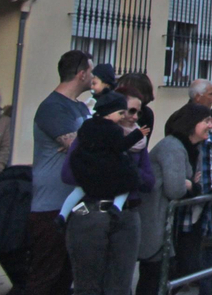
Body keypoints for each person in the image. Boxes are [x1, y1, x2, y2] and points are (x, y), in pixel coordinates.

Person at [63, 93, 149, 295]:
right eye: (128, 111)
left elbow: (149, 180)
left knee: (119, 286)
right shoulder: (90, 134)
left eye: (138, 112)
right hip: (92, 209)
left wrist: (128, 173)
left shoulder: (137, 143)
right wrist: (112, 173)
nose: (133, 117)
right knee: (88, 285)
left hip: (127, 213)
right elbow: (68, 173)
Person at [26, 50, 92, 295]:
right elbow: (78, 146)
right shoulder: (53, 107)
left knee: (67, 275)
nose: (93, 77)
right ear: (81, 74)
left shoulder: (80, 107)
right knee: (45, 276)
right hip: (50, 206)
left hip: (76, 204)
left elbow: (91, 144)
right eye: (91, 71)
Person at [135, 104, 212, 295]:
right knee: (153, 276)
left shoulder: (190, 148)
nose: (211, 125)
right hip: (154, 221)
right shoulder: (173, 147)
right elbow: (176, 189)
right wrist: (191, 186)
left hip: (164, 223)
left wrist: (189, 184)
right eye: (206, 121)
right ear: (192, 123)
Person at [182, 82, 212, 295]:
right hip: (207, 214)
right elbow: (209, 184)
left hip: (207, 213)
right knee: (208, 263)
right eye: (206, 121)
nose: (210, 125)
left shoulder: (210, 140)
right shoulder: (207, 143)